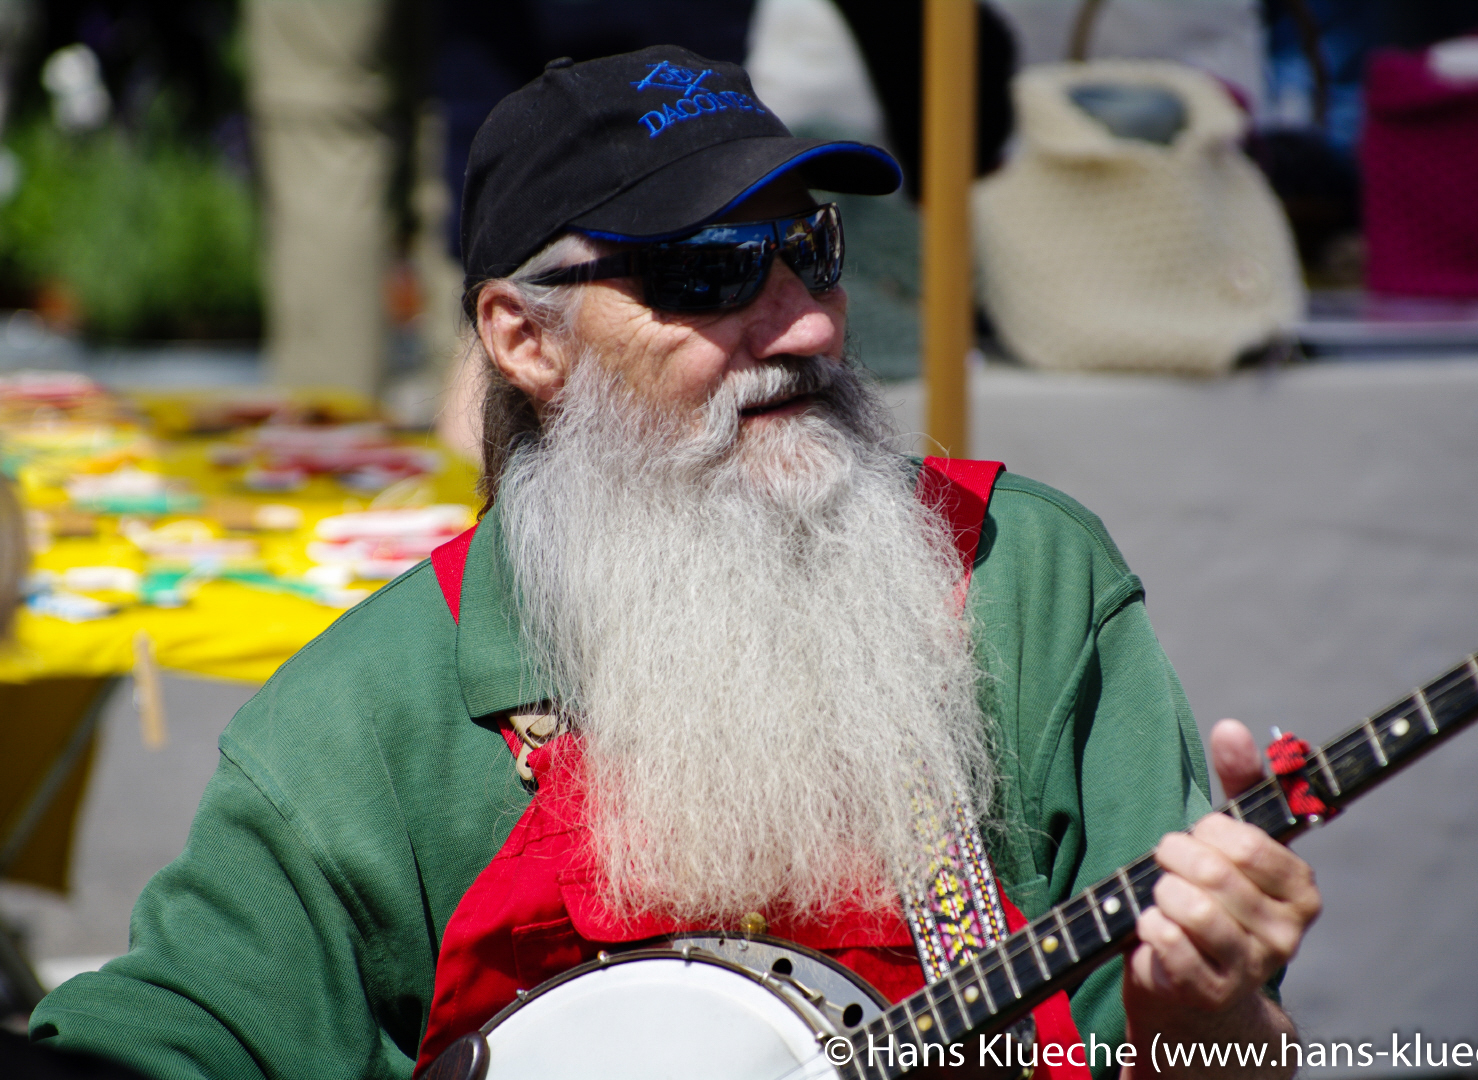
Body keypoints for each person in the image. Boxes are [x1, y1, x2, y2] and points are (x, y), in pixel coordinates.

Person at [28, 46, 1320, 1080]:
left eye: (808, 248)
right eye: (706, 274)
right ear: (522, 339)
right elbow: (178, 1038)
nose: (805, 319)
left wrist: (1208, 1028)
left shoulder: (1017, 576)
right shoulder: (369, 716)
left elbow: (1200, 1061)